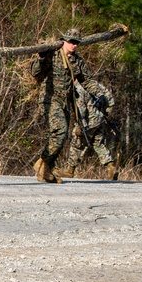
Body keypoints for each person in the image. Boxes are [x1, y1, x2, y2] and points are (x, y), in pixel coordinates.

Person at [33, 28, 108, 184]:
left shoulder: (77, 61)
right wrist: (40, 58)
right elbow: (35, 73)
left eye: (77, 43)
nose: (74, 45)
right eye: (71, 42)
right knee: (60, 130)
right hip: (50, 99)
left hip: (65, 102)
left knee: (61, 134)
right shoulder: (52, 55)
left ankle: (44, 167)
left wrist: (99, 94)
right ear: (64, 41)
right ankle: (44, 165)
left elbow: (86, 80)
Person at [56, 80, 118, 180]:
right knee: (98, 144)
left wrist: (80, 127)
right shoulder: (92, 83)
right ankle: (111, 167)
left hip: (89, 121)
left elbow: (81, 110)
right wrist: (107, 112)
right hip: (100, 118)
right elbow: (108, 97)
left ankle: (70, 170)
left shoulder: (78, 89)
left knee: (77, 143)